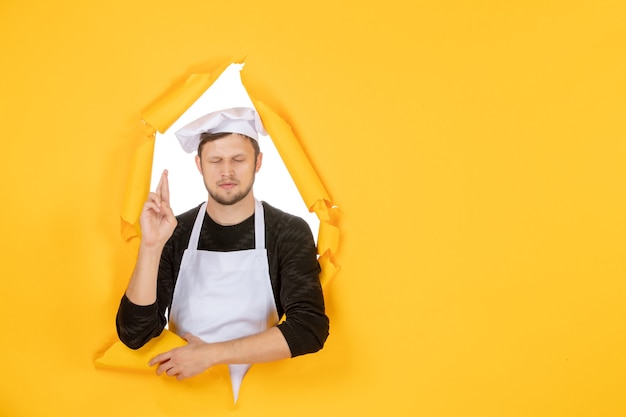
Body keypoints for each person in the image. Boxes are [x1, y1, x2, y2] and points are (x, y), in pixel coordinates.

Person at [116, 107, 329, 399]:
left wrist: (210, 355)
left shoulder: (287, 231)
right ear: (199, 166)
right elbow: (134, 335)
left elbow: (309, 328)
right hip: (184, 400)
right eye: (215, 160)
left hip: (263, 400)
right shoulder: (175, 232)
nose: (226, 171)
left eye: (238, 160)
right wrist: (151, 247)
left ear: (258, 162)